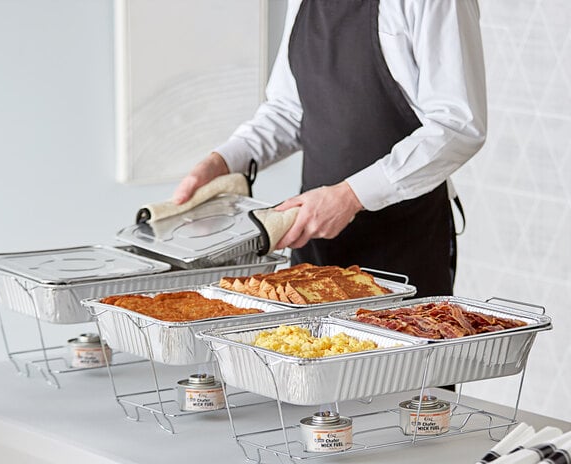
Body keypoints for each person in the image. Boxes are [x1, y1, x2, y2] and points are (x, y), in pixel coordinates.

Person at [172, 0, 487, 298]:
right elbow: (289, 110)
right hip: (315, 247)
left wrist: (350, 197)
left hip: (405, 245)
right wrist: (224, 162)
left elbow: (458, 125)